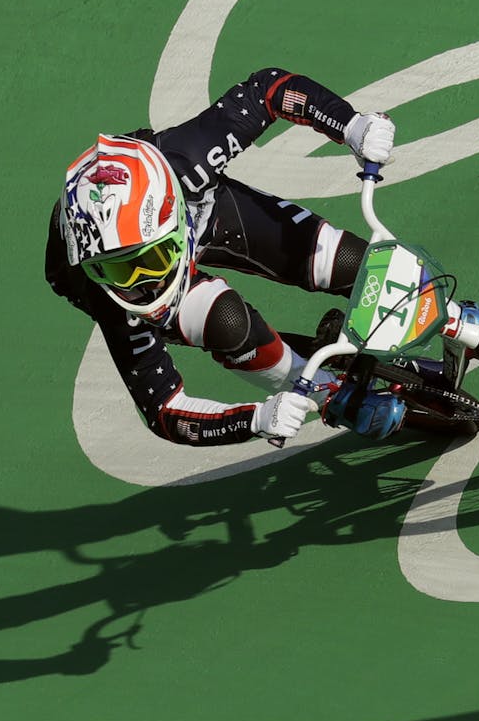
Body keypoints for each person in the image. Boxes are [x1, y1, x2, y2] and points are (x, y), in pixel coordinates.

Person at [48, 67, 427, 445]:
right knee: (226, 322)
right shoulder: (102, 288)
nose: (144, 283)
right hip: (141, 240)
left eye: (154, 260)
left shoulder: (189, 158)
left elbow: (271, 89)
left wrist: (351, 125)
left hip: (202, 208)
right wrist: (257, 419)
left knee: (349, 262)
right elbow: (162, 410)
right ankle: (326, 393)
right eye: (121, 270)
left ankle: (459, 319)